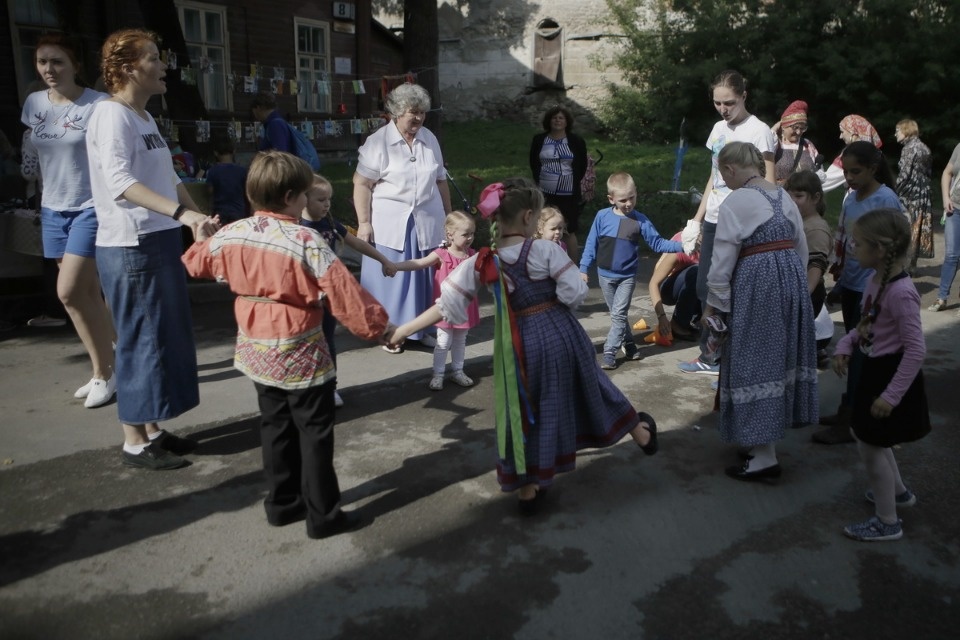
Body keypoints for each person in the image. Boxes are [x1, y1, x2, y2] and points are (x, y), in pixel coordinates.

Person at [385, 178, 658, 515]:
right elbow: (573, 294)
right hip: (560, 332)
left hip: (519, 345)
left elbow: (446, 305)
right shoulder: (544, 250)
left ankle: (529, 488)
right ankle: (641, 434)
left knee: (526, 410)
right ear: (530, 217)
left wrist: (402, 331)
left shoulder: (484, 261)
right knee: (593, 385)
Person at [183, 151, 394, 539]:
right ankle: (324, 515)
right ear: (289, 198)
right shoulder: (305, 240)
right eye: (303, 194)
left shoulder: (232, 233)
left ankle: (282, 504)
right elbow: (344, 293)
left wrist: (201, 236)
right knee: (314, 432)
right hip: (299, 347)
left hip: (255, 347)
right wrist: (379, 328)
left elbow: (196, 263)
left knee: (274, 425)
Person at [86, 28, 217, 470]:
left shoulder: (144, 117)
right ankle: (134, 441)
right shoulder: (110, 116)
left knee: (162, 337)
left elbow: (171, 180)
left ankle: (153, 430)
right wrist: (183, 217)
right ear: (127, 69)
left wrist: (198, 216)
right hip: (130, 243)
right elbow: (121, 184)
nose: (163, 67)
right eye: (155, 59)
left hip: (158, 237)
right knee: (140, 338)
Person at [702, 142, 818, 481]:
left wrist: (715, 305)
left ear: (730, 169)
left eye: (723, 173)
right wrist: (795, 290)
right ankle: (758, 441)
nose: (723, 180)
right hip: (789, 283)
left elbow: (722, 259)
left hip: (758, 284)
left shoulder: (735, 201)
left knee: (754, 360)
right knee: (775, 359)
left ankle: (765, 457)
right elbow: (801, 247)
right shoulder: (783, 196)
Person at [21, 34, 116, 407]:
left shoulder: (98, 105)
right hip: (52, 208)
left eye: (57, 61)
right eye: (42, 62)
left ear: (75, 65)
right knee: (87, 294)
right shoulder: (34, 104)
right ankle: (115, 360)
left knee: (68, 293)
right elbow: (35, 153)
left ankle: (103, 374)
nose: (49, 69)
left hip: (90, 206)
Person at [832, 209, 929, 542]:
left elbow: (916, 350)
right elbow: (868, 325)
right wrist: (846, 344)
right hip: (875, 370)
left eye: (858, 244)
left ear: (881, 249)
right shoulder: (877, 280)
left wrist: (891, 396)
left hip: (891, 378)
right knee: (870, 438)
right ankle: (898, 492)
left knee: (871, 447)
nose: (852, 248)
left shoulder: (901, 293)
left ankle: (887, 521)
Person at [679, 70, 777, 376]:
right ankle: (710, 356)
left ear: (744, 96)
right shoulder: (717, 129)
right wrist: (696, 219)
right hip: (714, 218)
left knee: (733, 292)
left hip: (742, 223)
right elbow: (714, 175)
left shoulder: (759, 131)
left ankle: (730, 362)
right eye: (718, 103)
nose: (723, 109)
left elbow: (769, 180)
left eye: (729, 103)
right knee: (705, 286)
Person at [815, 141, 905, 445]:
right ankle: (848, 408)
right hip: (852, 283)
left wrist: (884, 283)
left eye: (856, 171)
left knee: (861, 353)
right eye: (847, 171)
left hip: (874, 289)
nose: (850, 177)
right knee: (852, 349)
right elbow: (844, 239)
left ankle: (854, 419)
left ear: (872, 169)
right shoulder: (850, 198)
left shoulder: (886, 199)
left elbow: (896, 242)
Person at [353, 83, 452, 350]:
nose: (418, 118)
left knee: (425, 280)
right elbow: (361, 184)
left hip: (427, 219)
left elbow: (441, 180)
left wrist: (449, 217)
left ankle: (422, 330)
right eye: (412, 112)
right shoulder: (378, 142)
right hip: (390, 222)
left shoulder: (429, 139)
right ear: (397, 112)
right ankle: (389, 333)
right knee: (392, 280)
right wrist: (364, 222)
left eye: (422, 112)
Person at [300, 173, 397, 406]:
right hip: (305, 297)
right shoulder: (296, 227)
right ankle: (307, 387)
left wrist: (383, 259)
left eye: (329, 200)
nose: (327, 205)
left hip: (330, 295)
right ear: (303, 199)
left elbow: (358, 243)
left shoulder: (330, 224)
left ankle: (330, 386)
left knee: (328, 340)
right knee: (307, 343)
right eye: (321, 200)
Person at [579, 172, 683, 369]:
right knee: (618, 314)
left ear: (636, 193)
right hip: (604, 276)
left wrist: (683, 245)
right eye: (623, 200)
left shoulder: (640, 220)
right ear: (611, 199)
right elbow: (591, 243)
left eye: (632, 198)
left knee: (618, 314)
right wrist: (583, 268)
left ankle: (609, 351)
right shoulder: (602, 216)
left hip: (626, 277)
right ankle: (629, 344)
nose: (628, 203)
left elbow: (658, 243)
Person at [393, 210, 480, 390]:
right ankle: (438, 374)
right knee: (443, 342)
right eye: (465, 234)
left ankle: (457, 371)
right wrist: (395, 266)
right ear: (450, 234)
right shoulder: (441, 254)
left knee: (460, 341)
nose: (470, 238)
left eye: (472, 233)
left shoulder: (472, 255)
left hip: (464, 308)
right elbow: (419, 263)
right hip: (444, 309)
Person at [784, 170, 835, 361]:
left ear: (815, 198)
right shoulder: (798, 221)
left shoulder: (816, 228)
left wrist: (801, 297)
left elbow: (816, 266)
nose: (792, 200)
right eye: (789, 195)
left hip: (806, 292)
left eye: (799, 196)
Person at [529, 105, 588, 260]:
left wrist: (571, 182)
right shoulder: (539, 140)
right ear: (549, 121)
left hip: (569, 194)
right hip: (545, 193)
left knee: (569, 230)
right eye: (554, 117)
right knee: (543, 228)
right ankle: (542, 263)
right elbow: (534, 163)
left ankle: (573, 268)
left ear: (567, 122)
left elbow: (582, 165)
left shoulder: (575, 141)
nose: (557, 120)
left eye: (561, 118)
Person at [894, 119, 934, 271]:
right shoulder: (925, 147)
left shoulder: (909, 148)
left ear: (906, 131)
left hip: (910, 193)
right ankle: (912, 266)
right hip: (923, 192)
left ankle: (904, 267)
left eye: (897, 131)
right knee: (917, 226)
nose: (895, 134)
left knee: (906, 229)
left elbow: (904, 175)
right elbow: (928, 173)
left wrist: (894, 190)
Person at [649, 230, 700, 343]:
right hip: (667, 287)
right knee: (697, 272)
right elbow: (654, 282)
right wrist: (661, 317)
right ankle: (678, 325)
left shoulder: (718, 246)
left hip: (688, 283)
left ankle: (694, 320)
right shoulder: (684, 246)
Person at [930, 142, 960, 314]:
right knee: (951, 255)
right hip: (954, 209)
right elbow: (947, 173)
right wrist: (945, 198)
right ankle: (942, 298)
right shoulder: (959, 147)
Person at [821, 115, 883, 193]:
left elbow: (827, 180)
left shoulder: (852, 155)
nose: (840, 136)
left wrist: (806, 181)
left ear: (853, 133)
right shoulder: (874, 154)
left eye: (842, 132)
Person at [771, 100, 821, 184]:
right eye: (795, 127)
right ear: (784, 126)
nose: (798, 132)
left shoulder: (807, 145)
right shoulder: (776, 143)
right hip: (780, 194)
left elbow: (818, 169)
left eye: (802, 128)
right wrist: (774, 129)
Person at [204, 137, 249, 223]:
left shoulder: (213, 171)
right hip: (239, 212)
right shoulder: (242, 170)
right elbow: (247, 191)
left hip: (219, 214)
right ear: (234, 151)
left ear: (216, 153)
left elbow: (209, 191)